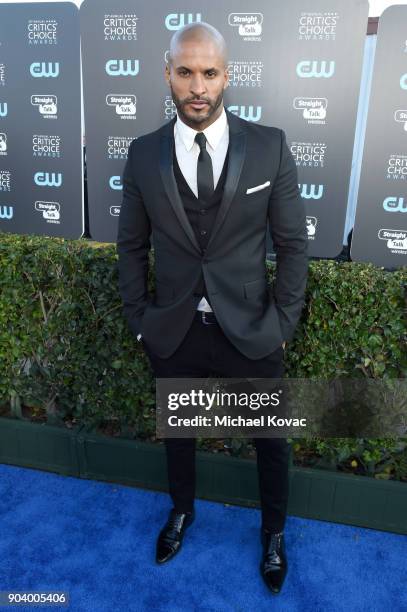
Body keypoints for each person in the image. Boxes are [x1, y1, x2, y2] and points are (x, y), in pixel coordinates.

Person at [116, 22, 308, 595]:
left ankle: (273, 532)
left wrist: (282, 324)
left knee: (271, 440)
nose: (197, 86)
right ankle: (181, 511)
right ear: (167, 73)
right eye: (185, 72)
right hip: (173, 328)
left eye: (209, 72)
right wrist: (141, 321)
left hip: (252, 330)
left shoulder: (269, 144)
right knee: (179, 430)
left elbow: (293, 244)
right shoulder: (144, 153)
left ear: (228, 75)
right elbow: (130, 246)